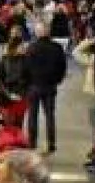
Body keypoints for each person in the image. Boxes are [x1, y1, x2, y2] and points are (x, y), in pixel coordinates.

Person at [25, 22, 68, 153]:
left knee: (33, 115)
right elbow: (62, 66)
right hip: (50, 86)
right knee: (50, 116)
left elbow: (26, 67)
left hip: (34, 86)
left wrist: (28, 82)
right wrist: (58, 80)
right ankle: (51, 143)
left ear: (37, 33)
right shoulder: (57, 48)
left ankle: (32, 143)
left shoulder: (31, 48)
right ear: (48, 32)